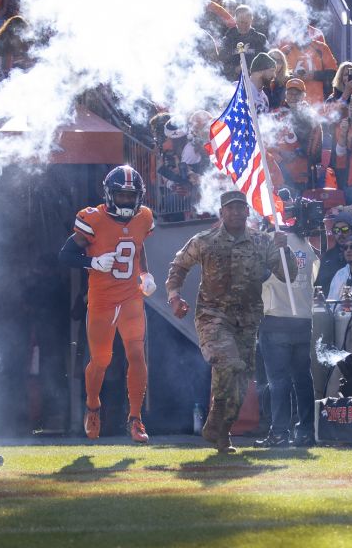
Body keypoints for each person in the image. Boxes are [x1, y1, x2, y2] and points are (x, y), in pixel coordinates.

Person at [167, 191, 290, 454]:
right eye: (229, 209)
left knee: (243, 379)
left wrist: (284, 248)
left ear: (248, 211)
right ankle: (214, 421)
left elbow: (286, 274)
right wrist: (174, 296)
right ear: (221, 212)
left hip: (247, 321)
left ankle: (221, 432)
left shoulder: (261, 241)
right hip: (213, 316)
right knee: (228, 362)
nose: (235, 213)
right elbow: (179, 265)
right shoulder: (205, 240)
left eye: (240, 208)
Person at [59, 166, 157, 443]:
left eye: (131, 196)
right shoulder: (92, 218)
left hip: (130, 299)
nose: (126, 201)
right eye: (121, 196)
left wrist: (145, 274)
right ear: (109, 194)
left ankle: (136, 419)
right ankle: (93, 407)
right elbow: (66, 255)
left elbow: (137, 247)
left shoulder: (144, 217)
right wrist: (92, 262)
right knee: (101, 360)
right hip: (102, 300)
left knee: (137, 354)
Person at [255, 226, 318, 448]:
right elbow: (314, 276)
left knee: (278, 381)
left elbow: (257, 275)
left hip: (275, 318)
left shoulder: (269, 241)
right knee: (303, 379)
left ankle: (280, 433)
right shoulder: (308, 245)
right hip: (303, 319)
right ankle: (306, 432)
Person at [220, 5, 268, 81]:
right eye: (241, 22)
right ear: (235, 20)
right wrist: (236, 69)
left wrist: (256, 71)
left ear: (251, 20)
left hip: (256, 81)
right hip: (233, 82)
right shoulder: (228, 40)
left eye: (247, 23)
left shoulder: (260, 39)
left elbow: (267, 61)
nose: (244, 25)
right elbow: (222, 64)